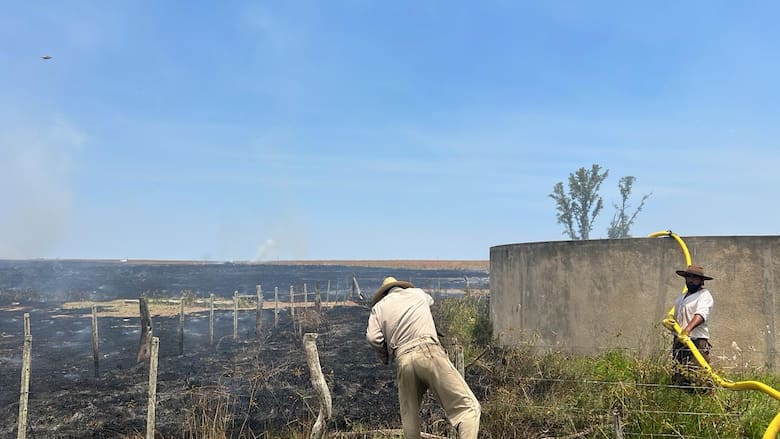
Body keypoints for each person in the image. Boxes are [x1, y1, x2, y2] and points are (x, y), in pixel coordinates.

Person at [366, 277, 481, 438]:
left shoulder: (379, 307)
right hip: (429, 352)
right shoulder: (417, 293)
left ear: (383, 294)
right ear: (401, 287)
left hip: (403, 360)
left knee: (410, 425)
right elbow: (430, 302)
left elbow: (373, 338)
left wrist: (384, 356)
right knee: (468, 408)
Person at [664, 264, 714, 391]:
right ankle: (681, 403)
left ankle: (704, 403)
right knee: (679, 375)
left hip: (696, 342)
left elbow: (701, 315)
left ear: (701, 281)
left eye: (695, 278)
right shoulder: (682, 297)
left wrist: (688, 330)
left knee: (697, 376)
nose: (690, 280)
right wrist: (673, 326)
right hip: (679, 341)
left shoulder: (704, 295)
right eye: (688, 277)